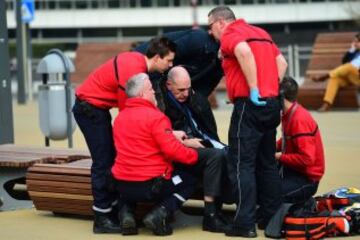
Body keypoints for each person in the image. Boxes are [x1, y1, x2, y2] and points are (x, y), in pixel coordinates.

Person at [72, 37, 176, 234]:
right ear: (156, 57)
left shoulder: (136, 63)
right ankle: (102, 217)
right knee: (103, 162)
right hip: (90, 109)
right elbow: (128, 114)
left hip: (94, 109)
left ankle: (112, 211)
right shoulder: (134, 70)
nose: (170, 65)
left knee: (108, 159)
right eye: (169, 61)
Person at [207, 6, 288, 237]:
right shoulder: (261, 33)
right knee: (267, 164)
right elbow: (281, 63)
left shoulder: (232, 35)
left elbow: (243, 52)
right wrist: (268, 89)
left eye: (211, 27)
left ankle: (244, 224)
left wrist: (254, 89)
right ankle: (271, 221)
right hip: (270, 104)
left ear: (221, 22)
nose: (211, 33)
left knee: (241, 164)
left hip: (250, 107)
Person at [111, 73, 226, 235]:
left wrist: (170, 134)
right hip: (151, 186)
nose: (154, 92)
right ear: (142, 94)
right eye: (151, 89)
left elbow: (142, 138)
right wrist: (196, 155)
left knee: (132, 171)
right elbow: (174, 151)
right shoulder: (157, 117)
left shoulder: (120, 118)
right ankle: (161, 213)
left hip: (123, 185)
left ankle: (126, 213)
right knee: (190, 178)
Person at [135, 28, 223, 109]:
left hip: (163, 72)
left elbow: (204, 90)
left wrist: (193, 101)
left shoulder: (221, 64)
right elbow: (168, 56)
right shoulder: (199, 41)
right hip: (149, 69)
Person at [276, 77, 325, 203]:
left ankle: (305, 204)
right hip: (294, 170)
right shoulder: (289, 113)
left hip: (306, 178)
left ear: (281, 97)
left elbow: (307, 159)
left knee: (271, 197)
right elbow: (287, 140)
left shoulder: (299, 120)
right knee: (264, 186)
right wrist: (270, 147)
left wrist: (279, 156)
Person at [164, 66, 226, 150]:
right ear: (168, 85)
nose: (186, 94)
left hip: (207, 142)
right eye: (181, 90)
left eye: (188, 89)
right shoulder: (164, 106)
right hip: (189, 146)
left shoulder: (195, 99)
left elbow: (211, 130)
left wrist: (196, 101)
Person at [314, 32, 360, 112]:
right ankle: (327, 104)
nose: (355, 43)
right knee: (334, 79)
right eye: (354, 41)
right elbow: (344, 62)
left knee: (349, 66)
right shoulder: (354, 52)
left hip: (358, 77)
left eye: (357, 42)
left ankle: (325, 76)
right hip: (349, 77)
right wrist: (351, 50)